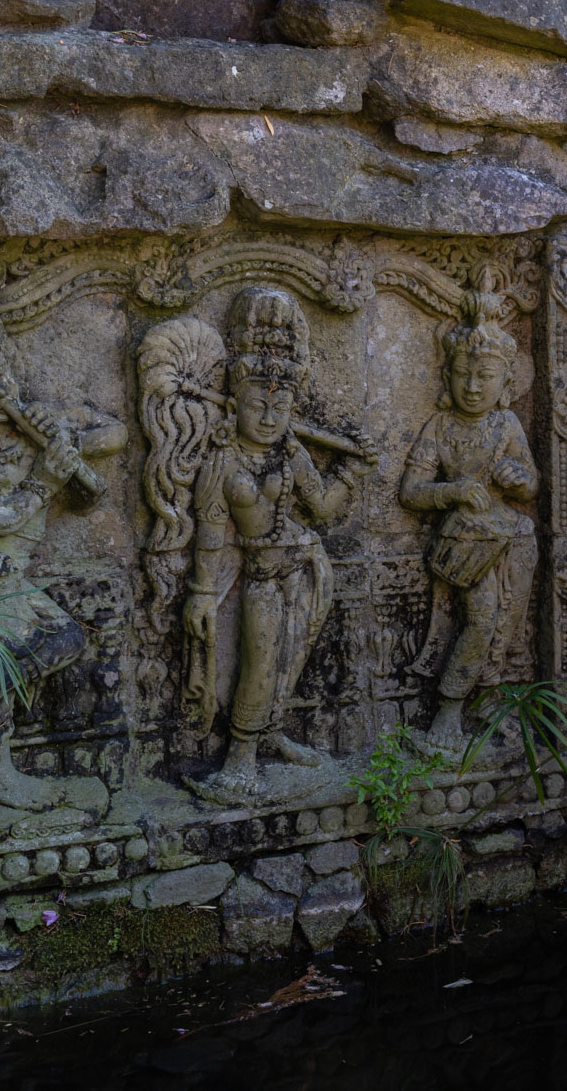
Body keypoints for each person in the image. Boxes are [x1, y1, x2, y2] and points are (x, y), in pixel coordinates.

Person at [0, 282, 126, 811]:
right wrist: (44, 478)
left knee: (64, 640)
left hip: (10, 577)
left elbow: (112, 445)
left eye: (3, 376)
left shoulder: (35, 428)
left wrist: (62, 438)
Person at [182, 288, 369, 795]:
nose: (269, 417)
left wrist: (351, 473)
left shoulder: (291, 453)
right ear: (233, 405)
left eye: (280, 406)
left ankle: (272, 733)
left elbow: (322, 506)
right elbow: (211, 537)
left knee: (290, 660)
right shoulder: (222, 463)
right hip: (261, 573)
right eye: (257, 405)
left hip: (306, 566)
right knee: (260, 664)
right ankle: (239, 758)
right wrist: (202, 593)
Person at [401, 278, 539, 749]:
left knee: (505, 626)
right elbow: (411, 491)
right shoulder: (441, 425)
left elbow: (532, 484)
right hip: (466, 543)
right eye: (463, 374)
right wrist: (453, 491)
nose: (474, 386)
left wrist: (518, 480)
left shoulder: (508, 423)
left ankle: (487, 697)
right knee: (481, 620)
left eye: (486, 376)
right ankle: (447, 711)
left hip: (513, 540)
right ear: (448, 377)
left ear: (507, 382)